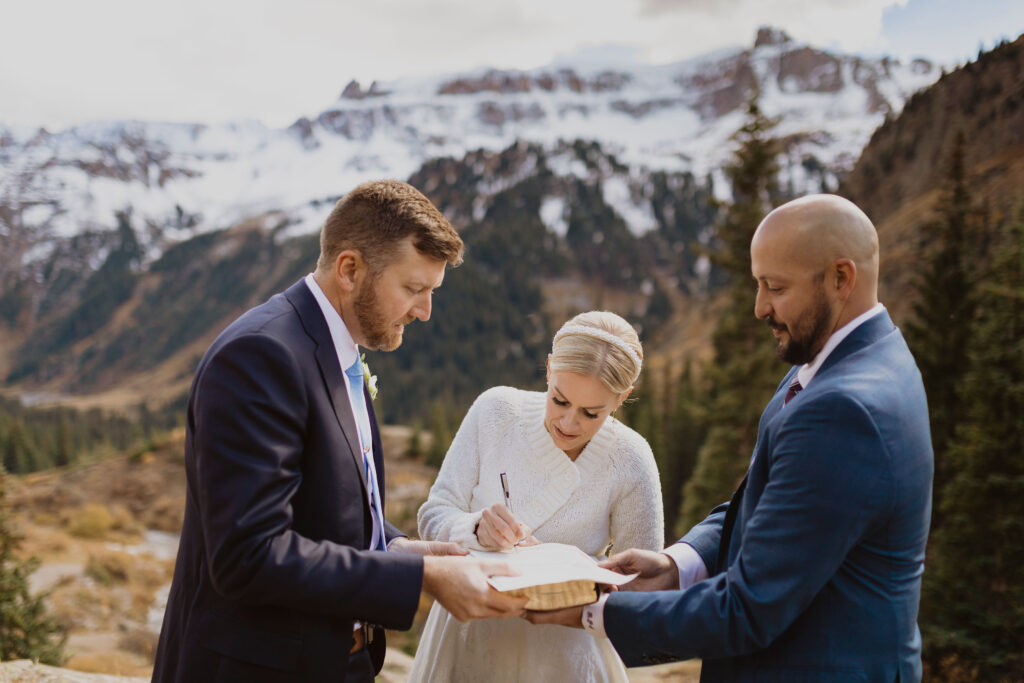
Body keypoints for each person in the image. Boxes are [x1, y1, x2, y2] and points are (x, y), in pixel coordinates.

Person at [528, 194, 934, 682]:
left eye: (775, 287)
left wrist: (591, 614)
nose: (760, 306)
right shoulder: (849, 360)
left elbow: (748, 609)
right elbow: (766, 508)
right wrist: (677, 564)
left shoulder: (841, 409)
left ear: (841, 278)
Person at [152, 180, 527, 683]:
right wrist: (421, 577)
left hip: (336, 660)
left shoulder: (336, 348)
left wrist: (397, 549)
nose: (424, 312)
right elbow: (249, 555)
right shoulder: (261, 356)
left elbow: (326, 511)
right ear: (350, 270)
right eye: (414, 289)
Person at [408, 311, 665, 683]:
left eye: (591, 413)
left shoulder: (631, 459)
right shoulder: (495, 411)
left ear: (622, 398)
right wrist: (474, 527)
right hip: (467, 637)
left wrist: (582, 585)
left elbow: (641, 594)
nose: (568, 424)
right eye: (559, 401)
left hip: (565, 654)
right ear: (548, 370)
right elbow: (433, 515)